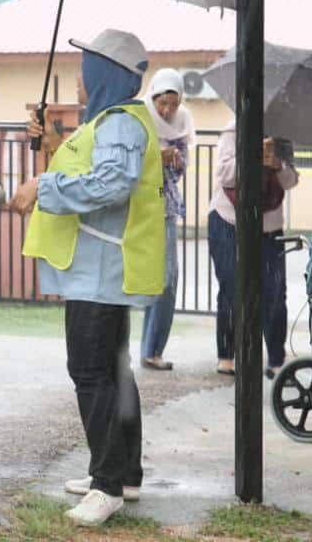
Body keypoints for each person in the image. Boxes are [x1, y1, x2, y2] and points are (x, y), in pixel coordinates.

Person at [13, 29, 164, 527]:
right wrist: (51, 143)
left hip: (100, 270)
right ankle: (125, 472)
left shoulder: (119, 122)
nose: (80, 80)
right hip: (100, 269)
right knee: (113, 371)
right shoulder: (111, 121)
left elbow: (112, 183)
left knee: (91, 372)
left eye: (87, 69)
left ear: (107, 74)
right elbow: (92, 168)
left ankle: (107, 485)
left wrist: (42, 186)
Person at [207, 122, 299, 378]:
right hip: (229, 219)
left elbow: (291, 180)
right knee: (231, 286)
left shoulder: (282, 138)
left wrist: (277, 164)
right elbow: (225, 174)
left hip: (269, 224)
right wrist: (252, 155)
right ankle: (226, 355)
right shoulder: (232, 132)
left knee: (275, 291)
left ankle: (276, 359)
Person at [140, 69, 195, 371]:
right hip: (140, 209)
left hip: (166, 208)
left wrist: (174, 160)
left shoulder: (182, 123)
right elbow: (131, 166)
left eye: (173, 104)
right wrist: (153, 159)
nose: (167, 110)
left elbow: (178, 171)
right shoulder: (140, 120)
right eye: (163, 102)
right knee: (148, 278)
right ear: (154, 97)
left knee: (168, 279)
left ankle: (153, 348)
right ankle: (146, 350)